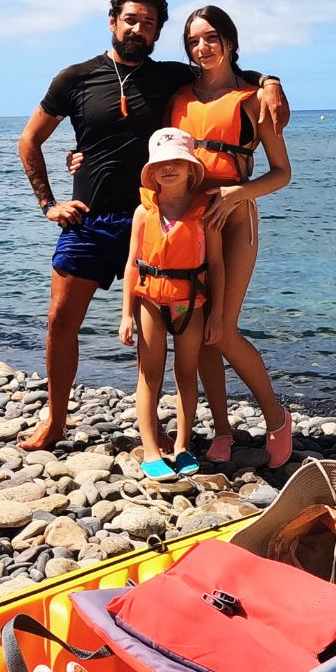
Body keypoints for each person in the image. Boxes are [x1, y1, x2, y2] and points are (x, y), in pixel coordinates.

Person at [17, 0, 287, 451]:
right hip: (90, 219)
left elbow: (226, 71)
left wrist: (271, 81)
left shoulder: (171, 79)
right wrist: (48, 203)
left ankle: (164, 430)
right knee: (61, 318)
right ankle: (56, 419)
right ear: (112, 22)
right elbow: (29, 140)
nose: (138, 28)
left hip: (163, 218)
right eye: (130, 19)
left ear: (158, 31)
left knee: (165, 329)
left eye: (148, 22)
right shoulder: (74, 78)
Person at [169, 5, 293, 467]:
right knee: (199, 331)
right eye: (193, 41)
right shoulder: (179, 96)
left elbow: (281, 172)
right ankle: (222, 428)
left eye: (211, 37)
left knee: (222, 329)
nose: (202, 47)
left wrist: (239, 192)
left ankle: (276, 417)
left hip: (235, 218)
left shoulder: (255, 99)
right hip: (188, 220)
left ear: (230, 41)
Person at [119, 128, 224, 480]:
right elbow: (132, 264)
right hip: (150, 300)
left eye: (177, 162)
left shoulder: (205, 213)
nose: (168, 168)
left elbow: (217, 265)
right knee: (149, 374)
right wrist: (126, 315)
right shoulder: (142, 213)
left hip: (190, 302)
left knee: (186, 372)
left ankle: (182, 445)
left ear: (191, 168)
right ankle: (150, 449)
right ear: (151, 171)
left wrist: (218, 314)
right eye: (161, 164)